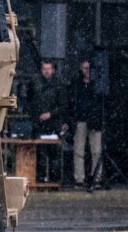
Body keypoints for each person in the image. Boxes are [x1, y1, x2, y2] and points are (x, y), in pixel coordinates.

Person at [28, 60, 67, 182]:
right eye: (44, 68)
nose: (46, 71)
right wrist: (35, 116)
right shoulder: (35, 83)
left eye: (48, 68)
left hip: (53, 124)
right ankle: (40, 179)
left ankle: (53, 181)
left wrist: (50, 114)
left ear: (53, 70)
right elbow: (30, 101)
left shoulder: (59, 84)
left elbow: (63, 105)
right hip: (39, 124)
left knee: (54, 154)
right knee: (40, 154)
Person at [69, 59, 105, 187]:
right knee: (79, 150)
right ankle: (79, 178)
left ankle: (96, 177)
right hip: (81, 119)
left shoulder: (98, 85)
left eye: (89, 68)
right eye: (84, 68)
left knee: (96, 151)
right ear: (80, 69)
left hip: (94, 120)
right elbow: (73, 102)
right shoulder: (77, 84)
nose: (87, 71)